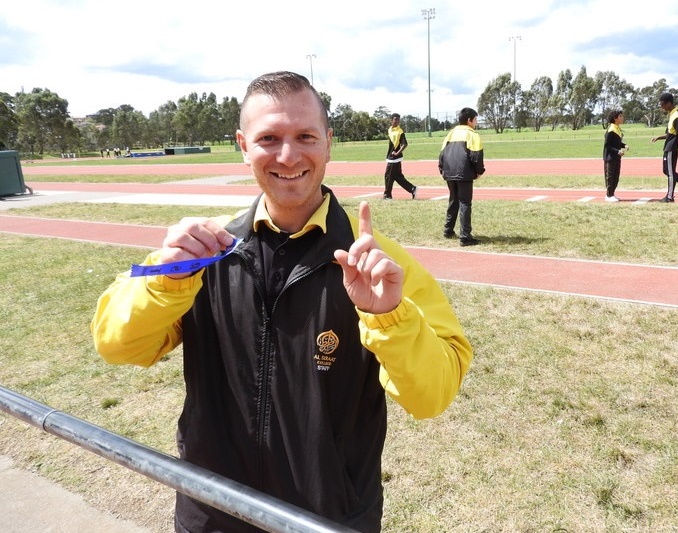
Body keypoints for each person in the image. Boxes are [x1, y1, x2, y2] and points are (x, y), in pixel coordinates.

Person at [91, 71, 472, 533]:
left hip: (328, 517)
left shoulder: (381, 265)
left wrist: (387, 316)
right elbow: (116, 345)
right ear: (242, 144)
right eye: (269, 138)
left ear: (329, 143)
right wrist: (168, 281)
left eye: (305, 136)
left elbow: (432, 396)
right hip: (213, 512)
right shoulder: (202, 252)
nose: (288, 155)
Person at [439, 107, 485, 246]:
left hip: (449, 172)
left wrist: (442, 170)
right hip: (464, 173)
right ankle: (465, 237)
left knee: (454, 200)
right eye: (475, 120)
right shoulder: (472, 134)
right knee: (465, 203)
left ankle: (448, 230)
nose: (476, 123)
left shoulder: (450, 134)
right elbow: (476, 155)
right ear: (469, 120)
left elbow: (442, 154)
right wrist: (479, 171)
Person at [383, 113, 417, 199]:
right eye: (395, 119)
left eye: (398, 120)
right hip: (391, 157)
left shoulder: (400, 132)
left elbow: (405, 144)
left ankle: (387, 195)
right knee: (397, 177)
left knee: (388, 176)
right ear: (391, 120)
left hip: (394, 158)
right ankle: (412, 189)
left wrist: (397, 153)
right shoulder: (390, 130)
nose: (397, 121)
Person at [603, 109, 628, 202]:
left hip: (616, 157)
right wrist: (617, 151)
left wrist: (624, 145)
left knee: (616, 177)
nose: (622, 118)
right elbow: (607, 145)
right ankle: (609, 195)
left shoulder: (617, 129)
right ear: (615, 118)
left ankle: (612, 194)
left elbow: (617, 143)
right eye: (620, 116)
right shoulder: (611, 129)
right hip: (610, 157)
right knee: (610, 176)